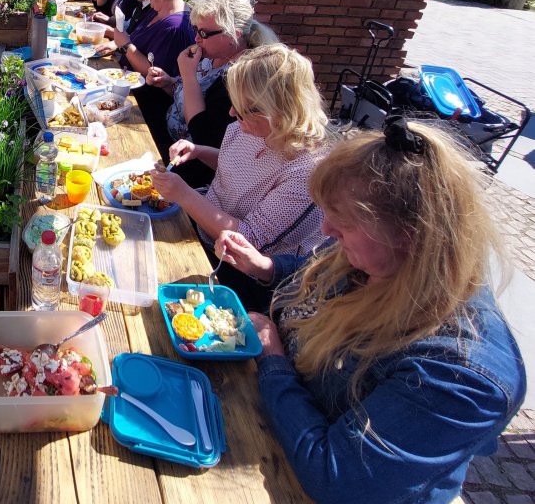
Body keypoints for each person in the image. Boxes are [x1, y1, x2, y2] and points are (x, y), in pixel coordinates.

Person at [212, 117, 526, 503]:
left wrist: (273, 360)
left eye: (343, 221)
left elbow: (336, 478)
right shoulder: (376, 255)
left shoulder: (460, 376)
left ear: (411, 235)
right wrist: (266, 267)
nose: (326, 229)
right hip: (267, 416)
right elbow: (319, 271)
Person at [151, 44, 330, 311]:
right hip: (197, 231)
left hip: (232, 275)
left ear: (280, 111)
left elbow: (246, 241)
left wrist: (184, 194)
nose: (232, 113)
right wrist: (199, 151)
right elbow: (236, 166)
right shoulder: (250, 127)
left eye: (243, 108)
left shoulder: (307, 174)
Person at [145, 0, 278, 186]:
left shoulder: (241, 78)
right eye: (195, 30)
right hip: (167, 134)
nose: (196, 38)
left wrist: (188, 76)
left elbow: (204, 134)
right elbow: (189, 95)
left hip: (189, 161)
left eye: (204, 33)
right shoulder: (211, 56)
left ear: (234, 34)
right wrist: (169, 82)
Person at [111, 0, 194, 77]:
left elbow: (156, 76)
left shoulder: (175, 28)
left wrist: (126, 45)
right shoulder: (156, 11)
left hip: (137, 88)